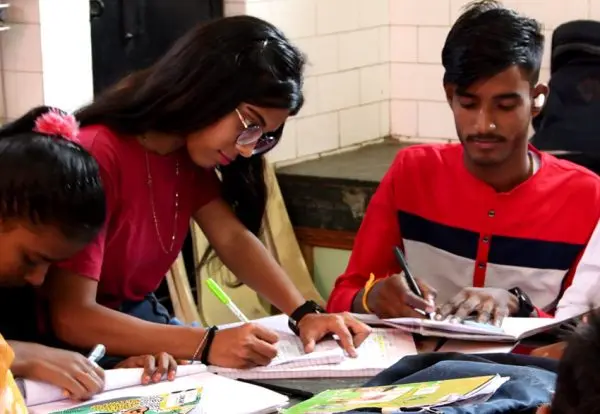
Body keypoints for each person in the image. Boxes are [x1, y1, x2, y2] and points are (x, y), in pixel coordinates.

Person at [44, 15, 370, 370]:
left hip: (131, 323)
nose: (248, 150)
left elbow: (231, 237)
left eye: (264, 137)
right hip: (67, 350)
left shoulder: (183, 155)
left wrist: (305, 312)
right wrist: (207, 342)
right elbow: (72, 317)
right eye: (250, 125)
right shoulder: (97, 154)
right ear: (206, 88)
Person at [326, 0, 600, 325]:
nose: (484, 125)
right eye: (468, 104)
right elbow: (343, 296)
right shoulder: (412, 172)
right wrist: (372, 298)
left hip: (527, 372)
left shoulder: (586, 196)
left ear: (537, 99)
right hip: (416, 367)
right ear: (449, 96)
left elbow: (579, 336)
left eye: (506, 105)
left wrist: (518, 306)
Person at [0, 107, 179, 407]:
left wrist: (110, 372)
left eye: (50, 265)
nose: (38, 279)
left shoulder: (19, 290)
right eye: (31, 258)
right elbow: (32, 357)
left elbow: (49, 363)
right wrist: (22, 354)